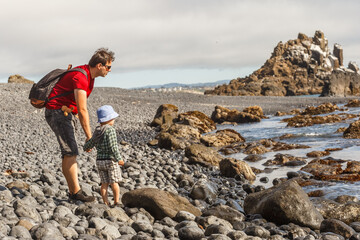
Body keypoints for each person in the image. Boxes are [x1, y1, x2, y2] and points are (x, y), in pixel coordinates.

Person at [45, 48, 115, 202]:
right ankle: (75, 193)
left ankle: (74, 191)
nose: (109, 70)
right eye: (108, 67)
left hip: (65, 112)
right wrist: (90, 136)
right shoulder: (81, 77)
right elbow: (83, 109)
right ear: (99, 65)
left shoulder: (88, 75)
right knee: (70, 152)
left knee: (70, 151)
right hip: (58, 112)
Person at [83, 105, 124, 206]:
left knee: (104, 183)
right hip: (110, 161)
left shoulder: (97, 131)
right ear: (109, 119)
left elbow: (89, 144)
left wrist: (86, 146)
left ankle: (106, 202)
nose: (113, 120)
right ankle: (116, 201)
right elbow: (113, 146)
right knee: (114, 182)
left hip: (100, 161)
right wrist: (119, 159)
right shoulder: (111, 130)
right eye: (113, 118)